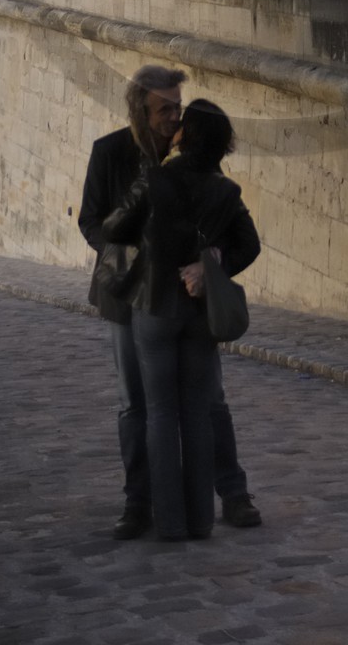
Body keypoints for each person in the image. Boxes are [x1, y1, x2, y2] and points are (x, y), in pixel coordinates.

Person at [78, 66, 261, 540]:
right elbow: (93, 223)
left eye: (178, 108)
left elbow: (234, 232)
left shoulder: (193, 154)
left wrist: (213, 262)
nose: (173, 116)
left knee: (209, 401)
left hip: (186, 300)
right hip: (128, 293)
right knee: (134, 404)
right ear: (141, 109)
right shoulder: (111, 152)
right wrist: (144, 261)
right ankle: (138, 503)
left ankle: (232, 493)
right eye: (165, 109)